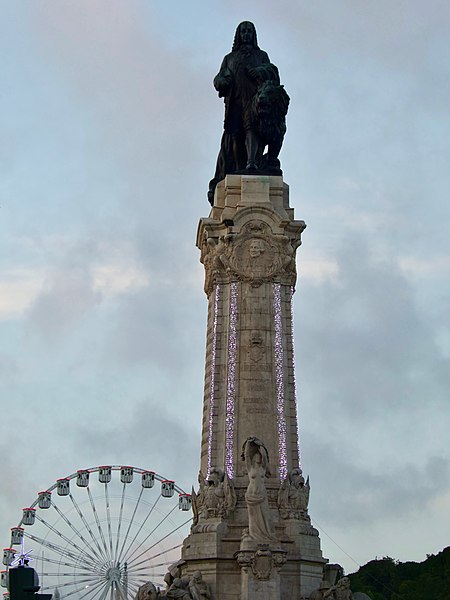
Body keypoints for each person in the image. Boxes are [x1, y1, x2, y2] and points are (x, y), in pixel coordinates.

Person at [208, 21, 281, 203]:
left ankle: (251, 163)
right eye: (243, 31)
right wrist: (222, 80)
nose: (246, 34)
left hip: (255, 100)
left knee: (252, 130)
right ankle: (242, 165)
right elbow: (220, 77)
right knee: (236, 136)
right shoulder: (230, 58)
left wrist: (259, 71)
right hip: (236, 101)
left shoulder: (261, 56)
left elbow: (272, 73)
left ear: (253, 34)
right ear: (238, 35)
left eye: (249, 31)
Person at [242, 437, 277, 543]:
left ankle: (268, 535)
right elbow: (247, 456)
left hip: (262, 494)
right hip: (251, 495)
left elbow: (265, 458)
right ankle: (253, 535)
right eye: (256, 456)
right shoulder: (250, 469)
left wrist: (261, 446)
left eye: (259, 456)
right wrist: (248, 443)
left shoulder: (263, 469)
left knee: (266, 517)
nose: (258, 457)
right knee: (253, 519)